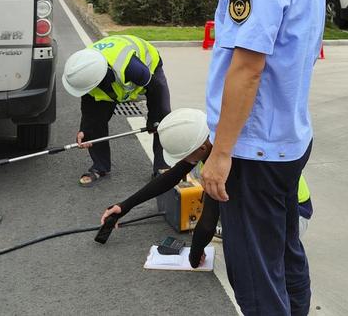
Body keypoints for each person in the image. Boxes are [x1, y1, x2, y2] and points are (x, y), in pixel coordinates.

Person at [200, 0, 325, 316]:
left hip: (254, 149)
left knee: (255, 273)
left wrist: (221, 152)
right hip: (289, 138)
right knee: (285, 251)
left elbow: (247, 68)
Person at [100, 108, 313, 268]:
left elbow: (208, 222)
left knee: (241, 252)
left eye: (184, 155)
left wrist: (195, 253)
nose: (182, 161)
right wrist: (124, 206)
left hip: (291, 218)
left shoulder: (225, 165)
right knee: (217, 196)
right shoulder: (214, 135)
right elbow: (170, 177)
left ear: (201, 148)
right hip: (281, 201)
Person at [63, 34, 171, 186]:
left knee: (162, 118)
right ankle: (100, 167)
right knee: (94, 124)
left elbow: (155, 89)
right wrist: (85, 130)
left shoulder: (132, 68)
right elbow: (89, 108)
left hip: (148, 68)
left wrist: (153, 118)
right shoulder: (84, 71)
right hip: (109, 75)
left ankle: (162, 167)